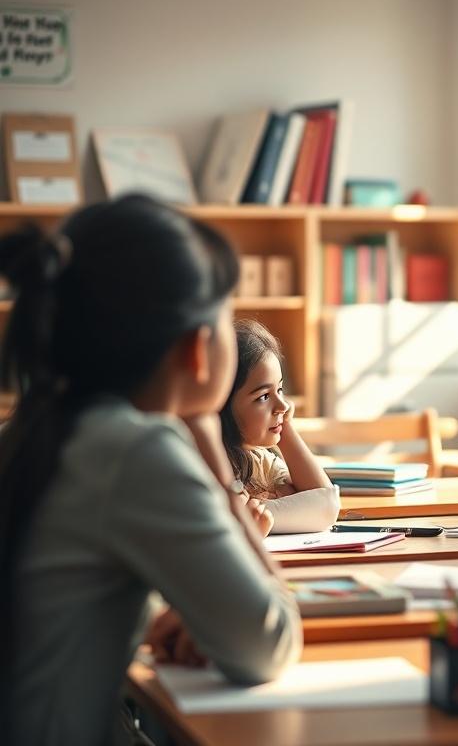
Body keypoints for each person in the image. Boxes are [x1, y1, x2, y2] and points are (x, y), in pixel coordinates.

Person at [0, 195, 303, 746]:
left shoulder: (40, 424)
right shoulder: (136, 449)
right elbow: (270, 645)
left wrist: (180, 608)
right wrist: (214, 459)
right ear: (197, 349)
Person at [220, 319, 339, 533]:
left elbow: (325, 502)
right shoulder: (214, 466)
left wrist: (286, 429)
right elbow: (320, 508)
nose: (283, 405)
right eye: (264, 396)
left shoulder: (260, 460)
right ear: (222, 403)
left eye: (280, 389)